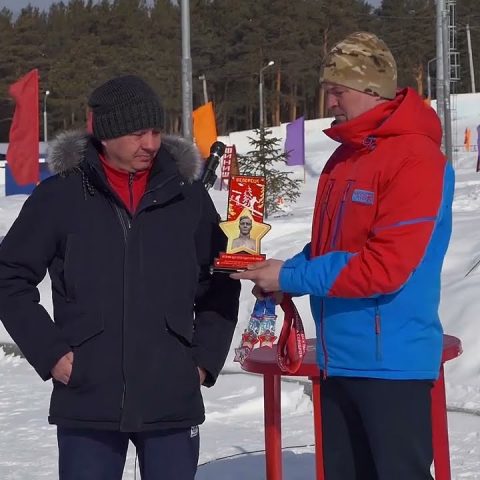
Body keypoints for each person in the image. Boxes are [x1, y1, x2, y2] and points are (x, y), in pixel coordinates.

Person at [232, 31, 455, 480]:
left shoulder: (416, 159)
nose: (329, 102)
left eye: (337, 91)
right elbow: (330, 250)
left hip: (392, 366)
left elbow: (384, 268)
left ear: (371, 89)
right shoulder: (344, 160)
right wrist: (280, 273)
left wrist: (290, 277)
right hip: (339, 361)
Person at [0, 75, 240, 480]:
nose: (151, 143)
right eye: (137, 133)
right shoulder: (60, 196)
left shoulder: (188, 197)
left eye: (156, 131)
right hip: (88, 398)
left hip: (171, 398)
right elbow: (9, 277)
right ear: (106, 134)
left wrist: (203, 360)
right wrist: (51, 353)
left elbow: (220, 278)